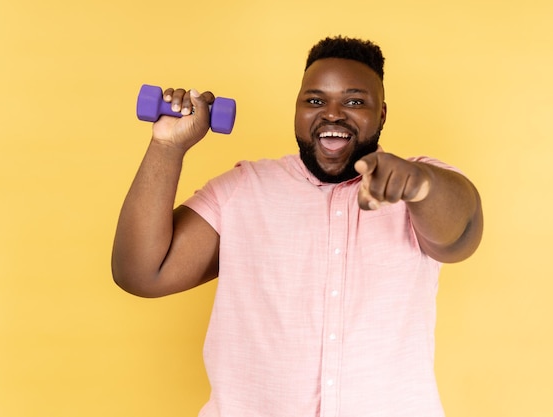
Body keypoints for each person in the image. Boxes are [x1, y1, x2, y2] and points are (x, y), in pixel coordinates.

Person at [112, 36, 483, 417]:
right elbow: (142, 274)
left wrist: (419, 183)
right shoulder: (244, 189)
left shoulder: (420, 187)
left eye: (355, 101)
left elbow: (462, 235)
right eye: (315, 101)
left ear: (382, 114)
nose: (333, 114)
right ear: (297, 109)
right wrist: (167, 147)